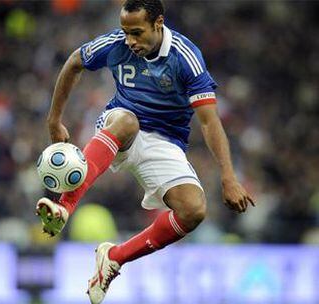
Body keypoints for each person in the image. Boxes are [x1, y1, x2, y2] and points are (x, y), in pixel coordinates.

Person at [35, 0, 255, 303]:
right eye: (126, 32)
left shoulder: (185, 56)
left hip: (165, 142)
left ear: (158, 23)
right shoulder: (115, 44)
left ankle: (114, 257)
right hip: (121, 125)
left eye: (137, 33)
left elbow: (209, 121)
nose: (130, 41)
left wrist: (228, 177)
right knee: (126, 120)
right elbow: (74, 62)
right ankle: (64, 207)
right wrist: (54, 120)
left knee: (193, 211)